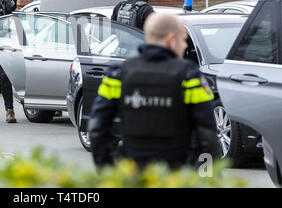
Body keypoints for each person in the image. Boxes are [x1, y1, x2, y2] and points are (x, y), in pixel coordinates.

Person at [88, 13, 220, 170]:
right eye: (183, 40)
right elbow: (208, 136)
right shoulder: (190, 77)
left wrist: (107, 171)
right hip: (176, 175)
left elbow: (97, 127)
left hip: (133, 175)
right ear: (171, 40)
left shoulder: (118, 75)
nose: (185, 46)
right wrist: (205, 178)